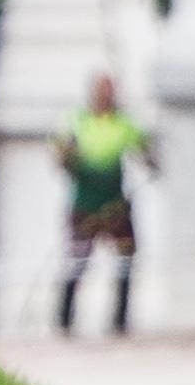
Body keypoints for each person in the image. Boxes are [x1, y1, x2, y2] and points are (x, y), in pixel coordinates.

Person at [53, 73, 156, 336]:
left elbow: (144, 150)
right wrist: (66, 157)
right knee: (77, 260)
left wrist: (151, 160)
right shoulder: (77, 122)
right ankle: (64, 320)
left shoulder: (124, 123)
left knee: (125, 258)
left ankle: (120, 321)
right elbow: (62, 158)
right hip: (85, 202)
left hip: (115, 204)